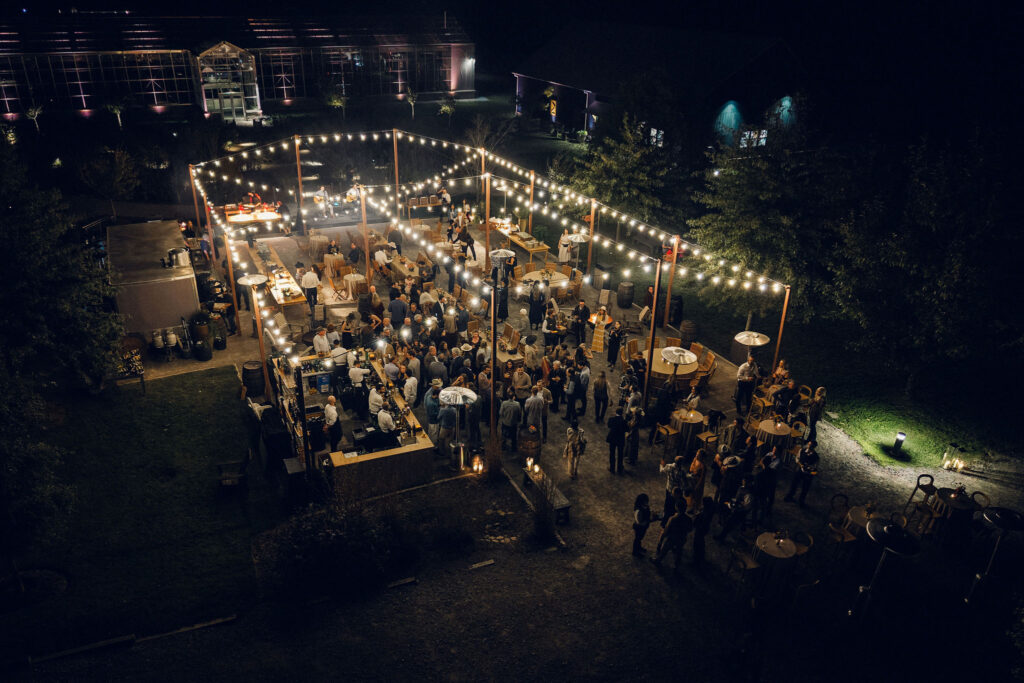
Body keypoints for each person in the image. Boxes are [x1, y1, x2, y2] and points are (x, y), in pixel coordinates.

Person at [652, 504, 693, 572]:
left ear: (677, 508)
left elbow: (666, 529)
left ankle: (658, 560)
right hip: (682, 538)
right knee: (679, 551)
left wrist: (662, 538)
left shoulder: (673, 518)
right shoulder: (688, 519)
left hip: (672, 538)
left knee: (665, 549)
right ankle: (677, 566)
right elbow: (690, 529)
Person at [785, 440, 820, 507]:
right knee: (794, 484)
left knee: (805, 488)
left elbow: (815, 467)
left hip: (808, 474)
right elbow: (797, 459)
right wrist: (800, 465)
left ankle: (801, 501)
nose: (809, 446)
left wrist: (810, 469)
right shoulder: (802, 450)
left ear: (814, 447)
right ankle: (789, 496)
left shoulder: (816, 457)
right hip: (800, 470)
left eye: (811, 445)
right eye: (809, 444)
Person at [658, 456, 688, 525]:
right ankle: (672, 521)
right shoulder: (682, 471)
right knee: (674, 507)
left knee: (667, 504)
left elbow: (662, 470)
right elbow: (684, 482)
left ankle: (664, 520)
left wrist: (661, 465)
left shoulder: (669, 466)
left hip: (669, 489)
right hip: (677, 492)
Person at [691, 497, 715, 567]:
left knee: (697, 544)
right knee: (700, 543)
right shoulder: (708, 511)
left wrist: (696, 518)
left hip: (700, 530)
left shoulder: (705, 513)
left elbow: (699, 520)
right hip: (703, 530)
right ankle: (699, 557)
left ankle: (696, 560)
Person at [606, 406, 627, 474]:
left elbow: (609, 425)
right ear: (622, 413)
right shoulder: (624, 421)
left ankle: (612, 468)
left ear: (616, 412)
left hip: (613, 438)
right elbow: (627, 429)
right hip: (620, 439)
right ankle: (619, 468)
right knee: (620, 454)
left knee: (612, 453)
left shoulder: (612, 419)